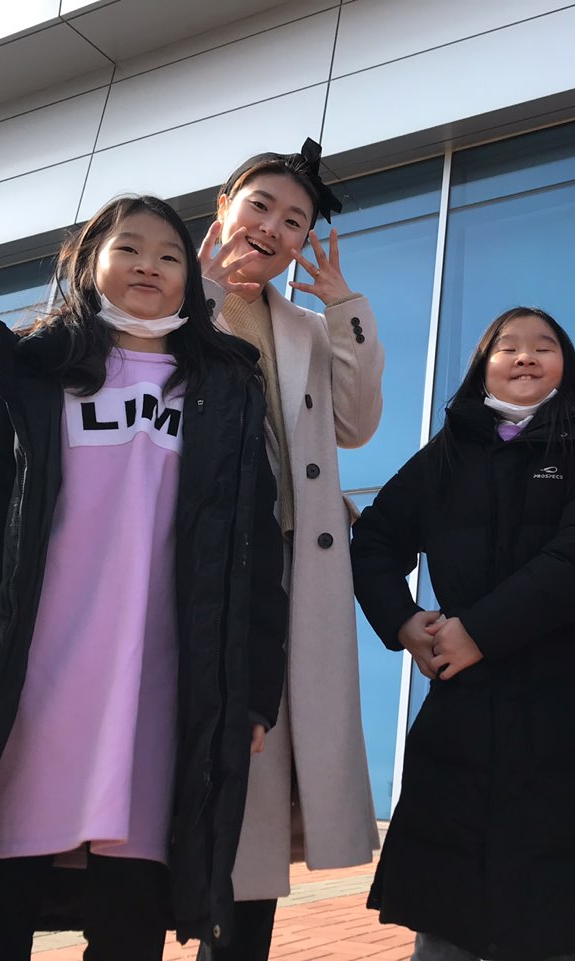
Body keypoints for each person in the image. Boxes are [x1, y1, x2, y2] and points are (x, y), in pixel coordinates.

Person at [0, 196, 287, 960]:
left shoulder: (224, 395)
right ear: (88, 262)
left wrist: (254, 690)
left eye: (169, 255)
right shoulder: (28, 378)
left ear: (190, 279)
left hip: (162, 693)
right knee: (2, 896)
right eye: (129, 248)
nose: (149, 265)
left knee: (133, 912)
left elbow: (252, 557)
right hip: (31, 685)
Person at [350, 307, 575, 961]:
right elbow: (373, 540)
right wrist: (403, 620)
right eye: (506, 346)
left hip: (572, 710)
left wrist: (479, 631)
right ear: (482, 366)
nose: (525, 355)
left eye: (544, 345)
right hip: (464, 712)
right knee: (448, 915)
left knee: (557, 918)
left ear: (567, 367)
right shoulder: (446, 454)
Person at [195, 138, 383, 961]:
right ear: (224, 211)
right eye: (260, 206)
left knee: (262, 785)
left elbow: (355, 424)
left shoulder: (306, 326)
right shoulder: (168, 301)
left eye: (295, 221)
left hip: (283, 575)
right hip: (193, 570)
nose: (273, 228)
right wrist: (200, 292)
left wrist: (345, 309)